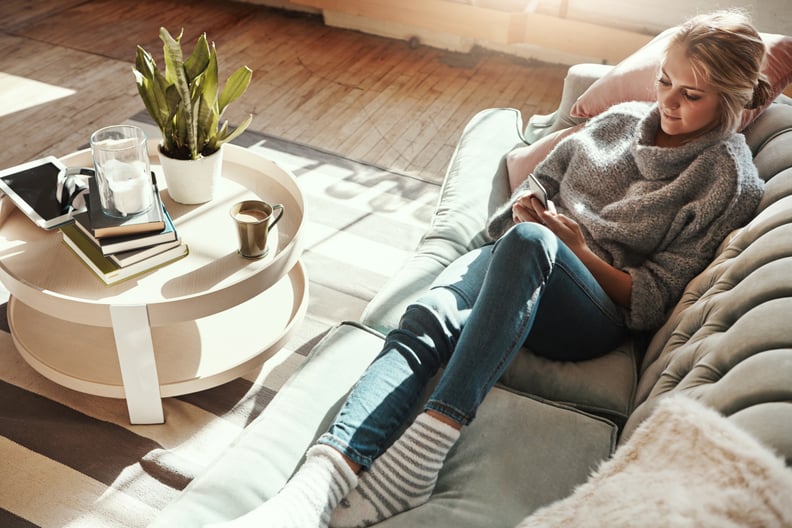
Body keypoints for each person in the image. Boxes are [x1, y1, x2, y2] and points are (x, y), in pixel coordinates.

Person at [213, 10, 771, 528]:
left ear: (729, 101)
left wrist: (574, 248)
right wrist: (530, 206)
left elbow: (650, 299)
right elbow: (540, 182)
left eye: (690, 94)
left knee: (528, 242)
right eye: (664, 82)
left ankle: (424, 454)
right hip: (526, 256)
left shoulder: (728, 180)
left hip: (591, 309)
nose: (667, 103)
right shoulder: (620, 120)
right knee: (430, 312)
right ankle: (312, 488)